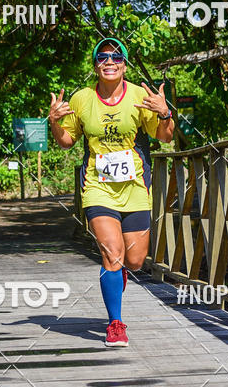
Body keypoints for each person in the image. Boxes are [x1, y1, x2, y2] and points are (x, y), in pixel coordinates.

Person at [48, 38, 174, 347]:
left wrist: (165, 112)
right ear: (95, 64)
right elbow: (66, 140)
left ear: (125, 64)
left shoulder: (138, 95)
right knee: (112, 254)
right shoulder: (82, 98)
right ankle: (115, 323)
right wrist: (53, 123)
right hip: (97, 187)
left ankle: (119, 276)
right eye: (103, 57)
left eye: (116, 56)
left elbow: (166, 138)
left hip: (135, 187)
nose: (109, 61)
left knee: (133, 259)